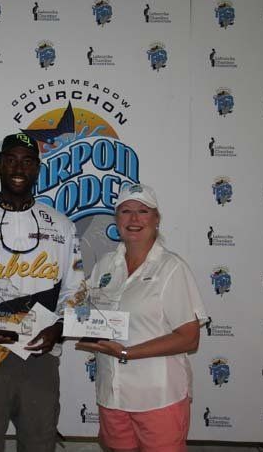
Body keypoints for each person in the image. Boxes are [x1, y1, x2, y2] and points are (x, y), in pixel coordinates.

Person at [0, 133, 86, 452]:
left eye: (27, 161)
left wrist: (60, 328)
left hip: (40, 355)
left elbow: (76, 290)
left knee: (40, 442)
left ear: (38, 169)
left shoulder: (62, 226)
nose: (18, 167)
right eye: (10, 159)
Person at [76, 184, 206, 452]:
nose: (134, 219)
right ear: (116, 219)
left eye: (142, 211)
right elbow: (87, 315)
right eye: (125, 211)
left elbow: (189, 338)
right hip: (112, 395)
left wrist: (127, 351)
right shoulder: (104, 266)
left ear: (156, 219)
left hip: (158, 398)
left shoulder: (172, 268)